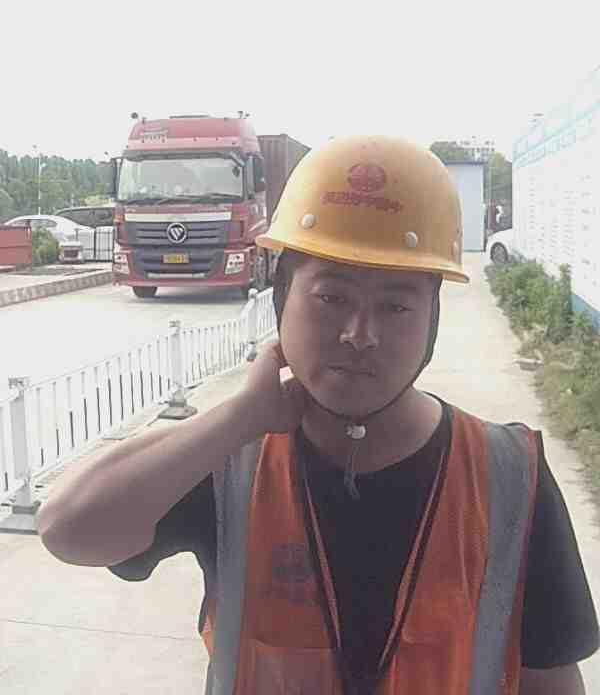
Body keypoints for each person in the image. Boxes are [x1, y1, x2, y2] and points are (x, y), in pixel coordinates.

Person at [37, 136, 598, 694]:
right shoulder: (231, 464)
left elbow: (550, 679)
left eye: (396, 305)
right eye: (332, 298)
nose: (360, 335)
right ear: (281, 297)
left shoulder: (506, 477)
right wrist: (238, 420)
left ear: (432, 318)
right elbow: (67, 530)